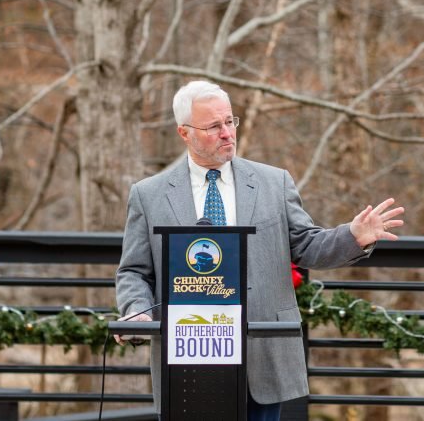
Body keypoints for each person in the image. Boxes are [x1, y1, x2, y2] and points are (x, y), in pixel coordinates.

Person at [115, 80, 405, 421]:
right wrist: (138, 310)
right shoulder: (149, 195)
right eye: (213, 126)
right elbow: (134, 270)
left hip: (261, 354)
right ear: (184, 133)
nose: (227, 133)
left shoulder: (274, 182)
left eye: (229, 121)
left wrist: (353, 236)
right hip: (189, 361)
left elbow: (306, 246)